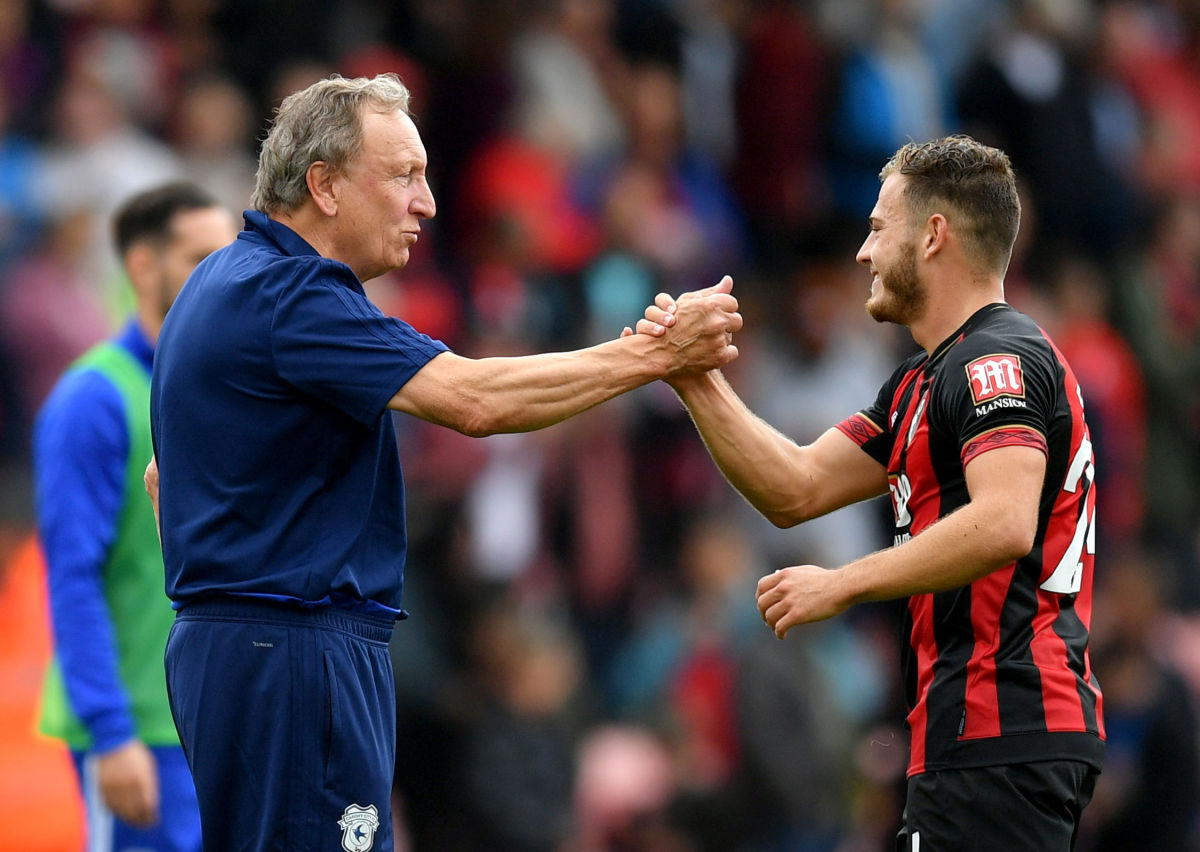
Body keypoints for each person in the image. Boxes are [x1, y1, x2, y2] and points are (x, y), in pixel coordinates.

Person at [146, 72, 740, 852]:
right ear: (322, 184)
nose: (425, 203)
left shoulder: (220, 282)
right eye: (402, 177)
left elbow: (165, 482)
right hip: (293, 650)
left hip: (247, 650)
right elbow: (475, 400)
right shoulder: (294, 295)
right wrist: (656, 355)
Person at [634, 135, 1105, 850]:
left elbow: (1005, 521)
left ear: (934, 235)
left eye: (879, 228)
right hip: (966, 733)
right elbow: (794, 486)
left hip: (1004, 727)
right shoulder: (921, 381)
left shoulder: (994, 361)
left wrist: (843, 585)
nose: (863, 252)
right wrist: (691, 375)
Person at [34, 182, 236, 852]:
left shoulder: (220, 384)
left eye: (227, 256)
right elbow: (71, 575)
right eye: (198, 256)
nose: (220, 274)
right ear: (143, 266)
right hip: (140, 734)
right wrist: (110, 733)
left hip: (216, 725)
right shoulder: (95, 398)